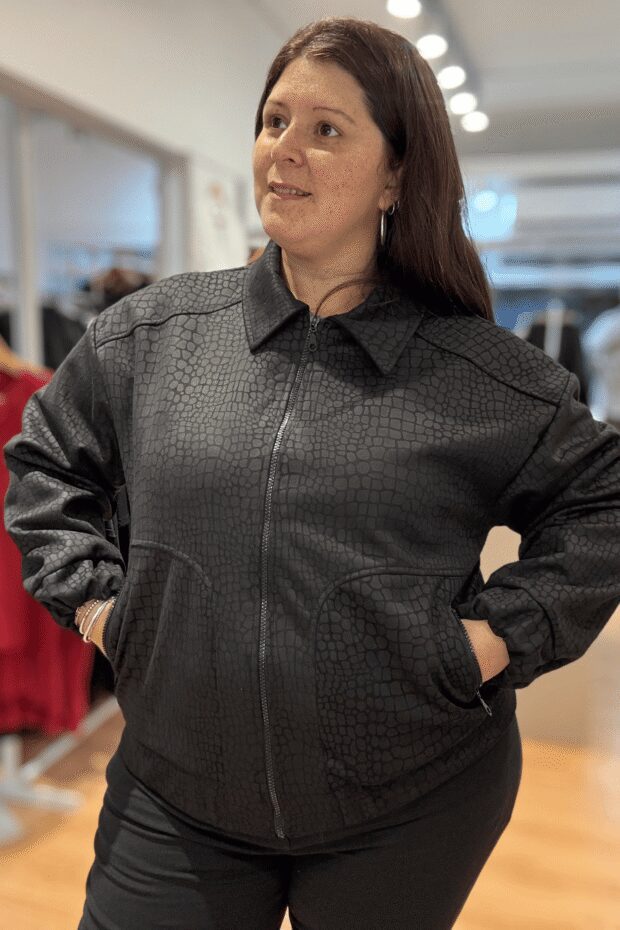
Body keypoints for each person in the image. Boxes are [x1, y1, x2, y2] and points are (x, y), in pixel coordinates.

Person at [3, 15, 620, 930]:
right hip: (178, 790)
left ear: (396, 175)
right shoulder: (153, 338)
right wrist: (100, 609)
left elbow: (603, 504)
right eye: (274, 121)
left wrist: (492, 639)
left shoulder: (481, 374)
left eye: (326, 129)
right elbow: (48, 463)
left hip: (409, 804)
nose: (284, 150)